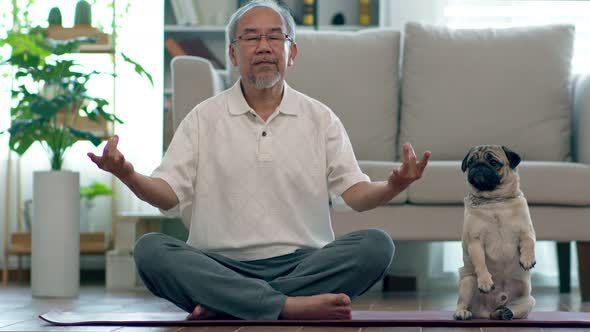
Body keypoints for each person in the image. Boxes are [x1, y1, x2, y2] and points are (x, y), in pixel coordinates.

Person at [88, 0, 431, 321]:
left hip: (302, 264)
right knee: (150, 250)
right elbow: (167, 194)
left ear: (291, 52)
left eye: (274, 37)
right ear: (233, 54)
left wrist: (393, 185)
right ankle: (287, 306)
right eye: (251, 38)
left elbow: (356, 196)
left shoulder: (320, 118)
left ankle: (228, 305)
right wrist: (128, 175)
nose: (264, 46)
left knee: (376, 246)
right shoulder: (202, 118)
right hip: (219, 264)